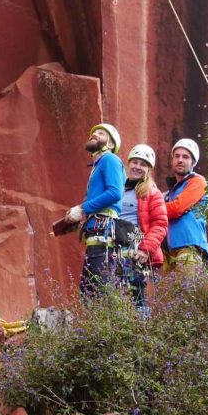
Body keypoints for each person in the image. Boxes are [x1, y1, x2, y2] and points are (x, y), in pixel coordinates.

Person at [65, 123, 126, 294]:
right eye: (93, 133)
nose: (94, 135)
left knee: (98, 291)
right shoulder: (98, 165)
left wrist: (82, 208)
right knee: (88, 293)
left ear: (111, 144)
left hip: (104, 232)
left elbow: (114, 193)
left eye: (101, 133)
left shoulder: (110, 159)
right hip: (97, 232)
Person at [118, 144, 168, 307]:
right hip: (113, 248)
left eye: (143, 164)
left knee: (136, 294)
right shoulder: (119, 189)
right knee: (113, 293)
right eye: (135, 162)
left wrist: (145, 248)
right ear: (129, 163)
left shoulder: (152, 193)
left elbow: (160, 224)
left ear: (149, 169)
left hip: (135, 249)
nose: (138, 167)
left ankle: (140, 328)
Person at [163, 138, 208, 275]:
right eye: (176, 156)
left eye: (185, 157)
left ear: (193, 162)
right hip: (170, 253)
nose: (180, 160)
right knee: (169, 297)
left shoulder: (198, 182)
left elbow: (176, 208)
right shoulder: (170, 192)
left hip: (189, 248)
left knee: (186, 295)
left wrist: (156, 209)